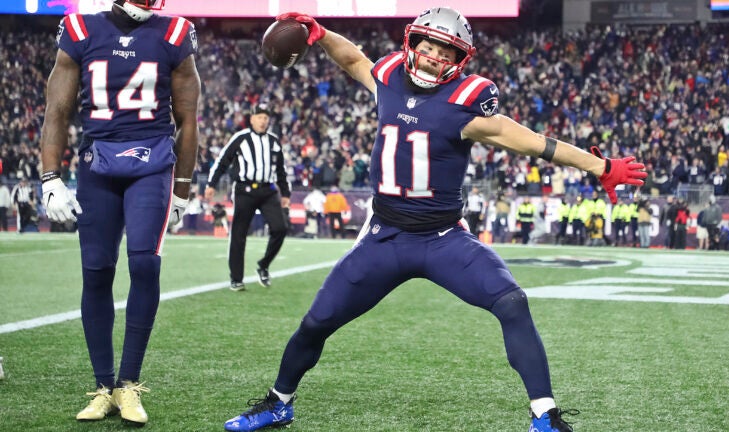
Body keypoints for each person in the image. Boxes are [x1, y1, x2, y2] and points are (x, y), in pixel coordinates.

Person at [222, 8, 646, 432]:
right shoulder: (387, 75)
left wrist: (600, 166)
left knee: (513, 303)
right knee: (317, 321)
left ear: (460, 59)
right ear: (412, 45)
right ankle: (279, 403)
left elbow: (536, 144)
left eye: (445, 52)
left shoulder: (467, 102)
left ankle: (545, 416)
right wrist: (320, 32)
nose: (432, 58)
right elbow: (353, 60)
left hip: (443, 239)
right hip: (384, 237)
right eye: (426, 47)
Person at [39, 0, 200, 425]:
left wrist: (181, 189)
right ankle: (103, 385)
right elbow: (57, 109)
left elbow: (188, 119)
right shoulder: (80, 29)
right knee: (95, 270)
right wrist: (50, 176)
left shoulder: (174, 33)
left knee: (145, 265)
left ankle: (129, 385)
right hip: (98, 165)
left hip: (152, 164)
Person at [205, 104, 291, 290]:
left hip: (268, 190)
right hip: (245, 190)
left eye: (266, 118)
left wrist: (285, 193)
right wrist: (212, 184)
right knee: (239, 234)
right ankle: (236, 278)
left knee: (280, 228)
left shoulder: (274, 141)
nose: (263, 121)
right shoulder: (241, 138)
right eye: (259, 117)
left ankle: (263, 265)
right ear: (251, 119)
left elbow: (281, 170)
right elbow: (222, 161)